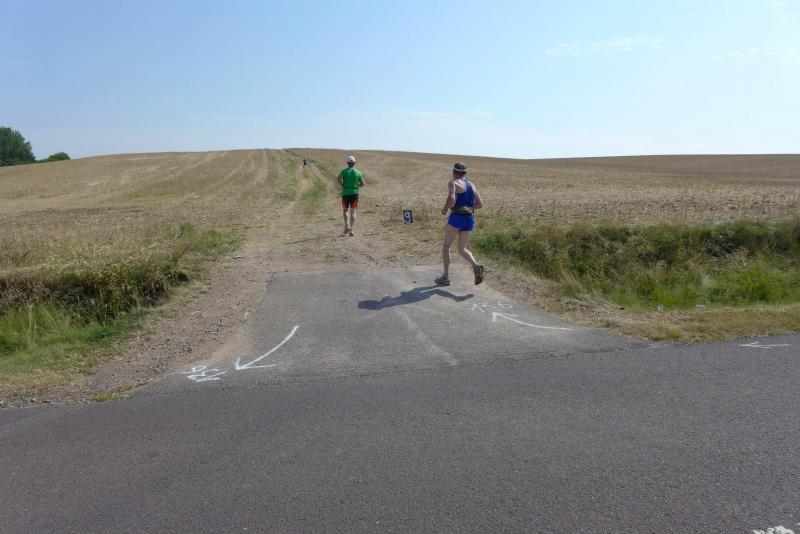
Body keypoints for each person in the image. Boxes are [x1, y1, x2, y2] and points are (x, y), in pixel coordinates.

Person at [435, 162, 485, 286]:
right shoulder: (471, 184)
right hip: (469, 219)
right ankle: (476, 266)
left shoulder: (453, 183)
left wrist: (445, 209)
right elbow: (480, 204)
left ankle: (445, 277)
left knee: (446, 246)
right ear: (465, 173)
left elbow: (451, 200)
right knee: (462, 249)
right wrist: (468, 207)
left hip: (457, 218)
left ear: (454, 172)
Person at [336, 155, 365, 236]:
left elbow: (338, 178)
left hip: (345, 193)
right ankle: (351, 229)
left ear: (347, 163)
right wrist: (356, 186)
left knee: (345, 210)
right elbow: (362, 184)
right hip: (354, 193)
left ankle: (346, 226)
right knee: (353, 212)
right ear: (354, 163)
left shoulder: (344, 171)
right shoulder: (358, 172)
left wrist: (342, 184)